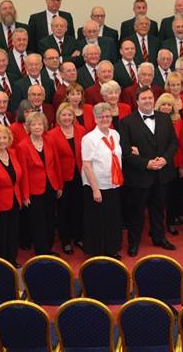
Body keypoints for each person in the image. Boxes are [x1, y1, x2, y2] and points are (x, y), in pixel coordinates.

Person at [120, 86, 179, 255]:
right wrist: (146, 163)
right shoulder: (126, 122)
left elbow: (173, 143)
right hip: (140, 175)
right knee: (136, 212)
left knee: (159, 209)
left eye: (150, 98)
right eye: (144, 98)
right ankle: (134, 243)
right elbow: (125, 151)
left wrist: (165, 159)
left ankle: (159, 238)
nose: (147, 101)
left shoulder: (164, 118)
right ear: (137, 101)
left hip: (162, 173)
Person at [80, 102, 124, 258]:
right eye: (101, 117)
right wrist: (95, 189)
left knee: (112, 218)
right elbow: (86, 165)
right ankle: (97, 251)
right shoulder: (89, 138)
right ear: (95, 119)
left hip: (113, 183)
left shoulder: (115, 134)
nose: (105, 119)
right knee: (97, 220)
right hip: (96, 186)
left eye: (107, 116)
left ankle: (112, 249)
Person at [18, 111, 62, 254]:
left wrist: (60, 185)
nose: (37, 127)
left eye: (39, 124)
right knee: (38, 223)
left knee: (50, 219)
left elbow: (56, 165)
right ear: (28, 127)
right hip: (34, 190)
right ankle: (42, 252)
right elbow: (23, 173)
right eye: (33, 124)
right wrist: (25, 195)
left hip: (51, 186)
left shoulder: (50, 141)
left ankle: (48, 248)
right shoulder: (22, 146)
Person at [45, 102, 85, 253]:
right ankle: (66, 240)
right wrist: (58, 184)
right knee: (63, 210)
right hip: (63, 178)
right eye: (64, 115)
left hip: (81, 175)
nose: (67, 118)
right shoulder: (51, 135)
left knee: (79, 208)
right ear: (58, 117)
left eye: (70, 115)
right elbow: (51, 162)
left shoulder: (81, 130)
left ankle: (79, 237)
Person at [0, 124, 23, 266]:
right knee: (0, 235)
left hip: (14, 200)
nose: (2, 141)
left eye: (4, 138)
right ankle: (1, 263)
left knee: (13, 233)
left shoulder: (12, 153)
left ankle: (12, 259)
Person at [155, 92, 183, 234]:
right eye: (164, 104)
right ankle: (157, 226)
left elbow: (180, 145)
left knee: (172, 195)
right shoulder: (152, 120)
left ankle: (170, 222)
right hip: (157, 163)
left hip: (173, 163)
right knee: (158, 198)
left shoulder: (178, 121)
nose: (166, 107)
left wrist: (181, 165)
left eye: (169, 105)